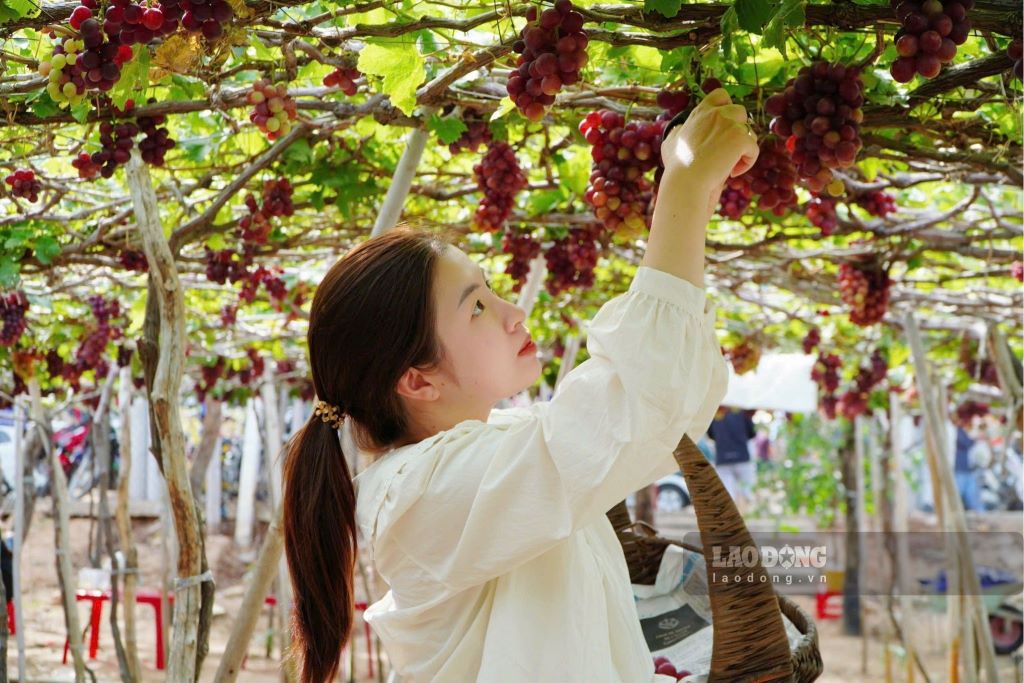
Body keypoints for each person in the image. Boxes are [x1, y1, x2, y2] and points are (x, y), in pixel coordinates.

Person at [281, 88, 759, 683]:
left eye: (491, 291)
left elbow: (663, 418)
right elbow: (629, 409)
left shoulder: (490, 444)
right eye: (476, 307)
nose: (512, 313)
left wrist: (698, 186)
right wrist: (685, 187)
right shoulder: (421, 495)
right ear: (416, 379)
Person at [707, 406, 756, 509]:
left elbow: (711, 435)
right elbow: (752, 433)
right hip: (742, 458)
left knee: (728, 496)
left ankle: (733, 520)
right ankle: (744, 518)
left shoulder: (713, 412)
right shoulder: (742, 411)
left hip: (722, 459)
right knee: (746, 493)